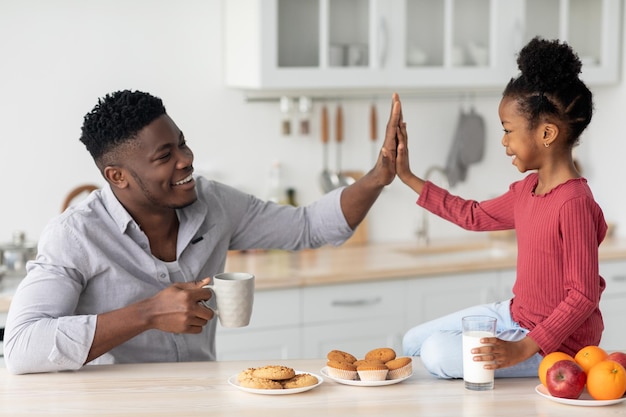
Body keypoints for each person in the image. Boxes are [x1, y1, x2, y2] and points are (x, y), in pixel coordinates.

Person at [4, 90, 402, 374]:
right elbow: (21, 347)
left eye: (182, 144)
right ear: (117, 176)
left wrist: (379, 177)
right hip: (111, 404)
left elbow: (308, 227)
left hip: (201, 396)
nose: (186, 160)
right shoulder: (74, 235)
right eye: (165, 156)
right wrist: (146, 314)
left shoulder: (214, 204)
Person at [397, 37, 607, 379]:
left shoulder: (574, 203)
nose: (504, 142)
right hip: (515, 316)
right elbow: (473, 215)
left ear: (547, 133)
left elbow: (583, 297)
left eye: (509, 131)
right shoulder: (528, 189)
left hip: (555, 346)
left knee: (436, 352)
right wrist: (407, 176)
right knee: (414, 343)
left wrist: (522, 348)